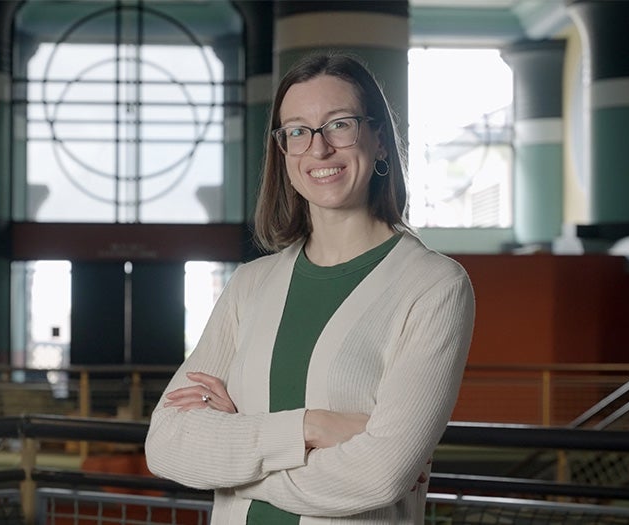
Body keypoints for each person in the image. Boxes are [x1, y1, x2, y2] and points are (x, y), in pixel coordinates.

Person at [144, 52, 475, 524]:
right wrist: (312, 427)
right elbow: (168, 445)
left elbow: (378, 476)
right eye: (297, 131)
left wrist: (232, 458)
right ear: (283, 152)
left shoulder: (434, 286)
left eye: (339, 125)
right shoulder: (250, 285)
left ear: (379, 139)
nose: (318, 149)